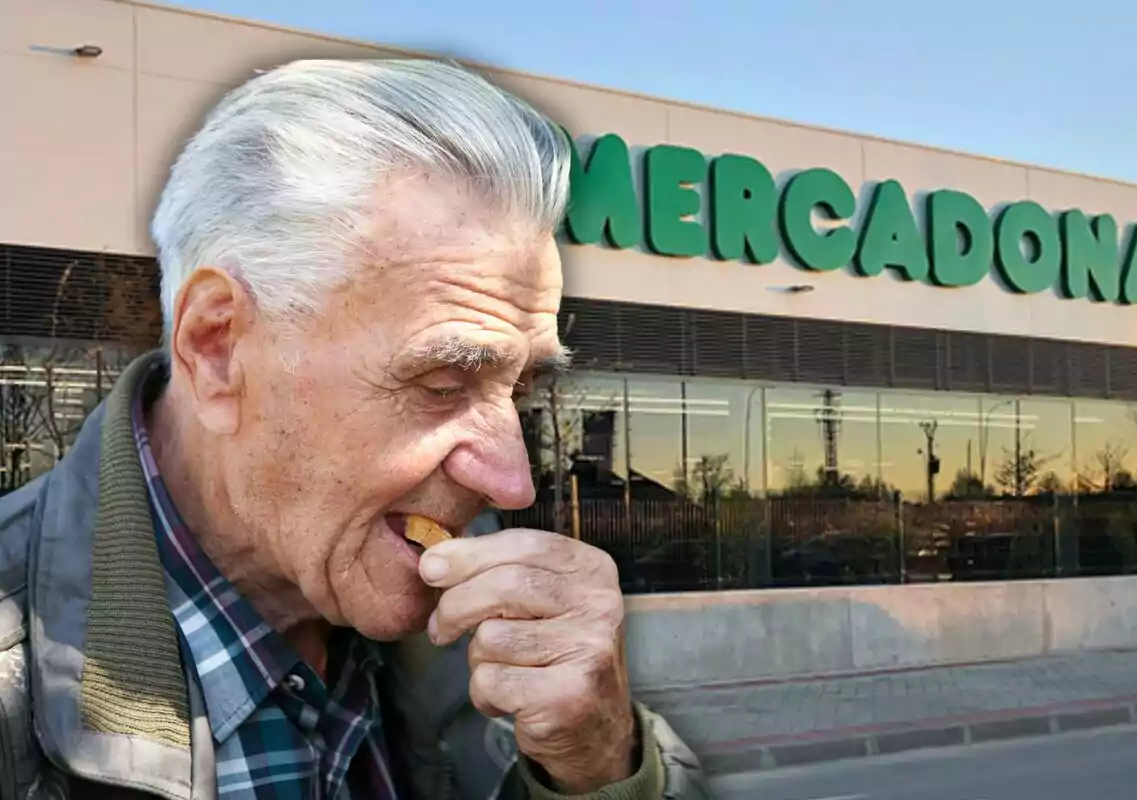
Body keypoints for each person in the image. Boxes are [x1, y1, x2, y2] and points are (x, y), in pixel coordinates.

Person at [0, 58, 710, 799]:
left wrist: (599, 765)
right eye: (441, 383)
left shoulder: (492, 646)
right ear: (216, 348)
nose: (512, 478)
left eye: (521, 390)